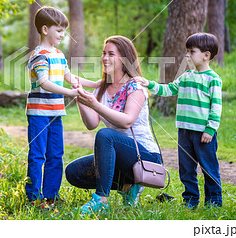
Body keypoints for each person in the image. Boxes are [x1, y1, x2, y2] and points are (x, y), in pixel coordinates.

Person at [65, 35, 161, 214]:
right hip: (118, 157)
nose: (105, 58)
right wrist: (80, 99)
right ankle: (127, 186)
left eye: (111, 54)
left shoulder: (135, 87)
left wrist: (95, 104)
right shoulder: (101, 88)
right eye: (103, 53)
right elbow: (92, 123)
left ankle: (101, 199)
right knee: (73, 172)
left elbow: (127, 121)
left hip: (145, 157)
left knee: (106, 135)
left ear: (124, 59)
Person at [135, 32, 223, 208]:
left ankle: (214, 202)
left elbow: (216, 107)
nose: (187, 55)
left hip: (203, 134)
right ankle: (190, 200)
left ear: (206, 55)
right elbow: (168, 90)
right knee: (186, 169)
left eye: (191, 51)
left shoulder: (213, 79)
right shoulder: (186, 76)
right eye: (187, 51)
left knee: (209, 168)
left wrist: (210, 130)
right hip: (184, 132)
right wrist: (149, 83)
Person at [25, 6, 99, 206]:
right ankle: (34, 197)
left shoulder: (58, 54)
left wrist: (95, 83)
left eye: (63, 30)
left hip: (56, 113)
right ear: (45, 29)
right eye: (59, 30)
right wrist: (71, 93)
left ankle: (51, 195)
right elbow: (44, 82)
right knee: (38, 155)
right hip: (39, 113)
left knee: (56, 154)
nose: (62, 34)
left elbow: (69, 77)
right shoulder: (39, 55)